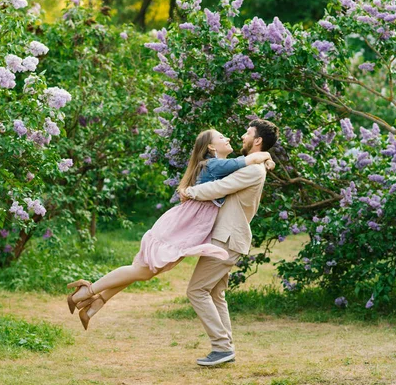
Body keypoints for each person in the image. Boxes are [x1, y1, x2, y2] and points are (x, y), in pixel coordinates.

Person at [67, 128, 275, 330]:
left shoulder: (223, 165)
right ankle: (88, 291)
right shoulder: (213, 165)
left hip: (192, 227)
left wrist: (267, 159)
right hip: (184, 226)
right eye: (221, 136)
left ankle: (95, 304)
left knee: (144, 270)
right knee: (143, 269)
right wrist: (265, 155)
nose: (229, 137)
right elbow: (242, 163)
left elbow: (243, 167)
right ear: (211, 146)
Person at [180, 119, 279, 367]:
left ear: (257, 140)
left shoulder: (252, 171)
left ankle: (221, 347)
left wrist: (188, 192)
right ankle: (226, 348)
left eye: (247, 133)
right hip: (228, 238)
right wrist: (266, 158)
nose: (242, 137)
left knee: (196, 290)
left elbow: (219, 188)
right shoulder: (254, 166)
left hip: (227, 239)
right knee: (214, 292)